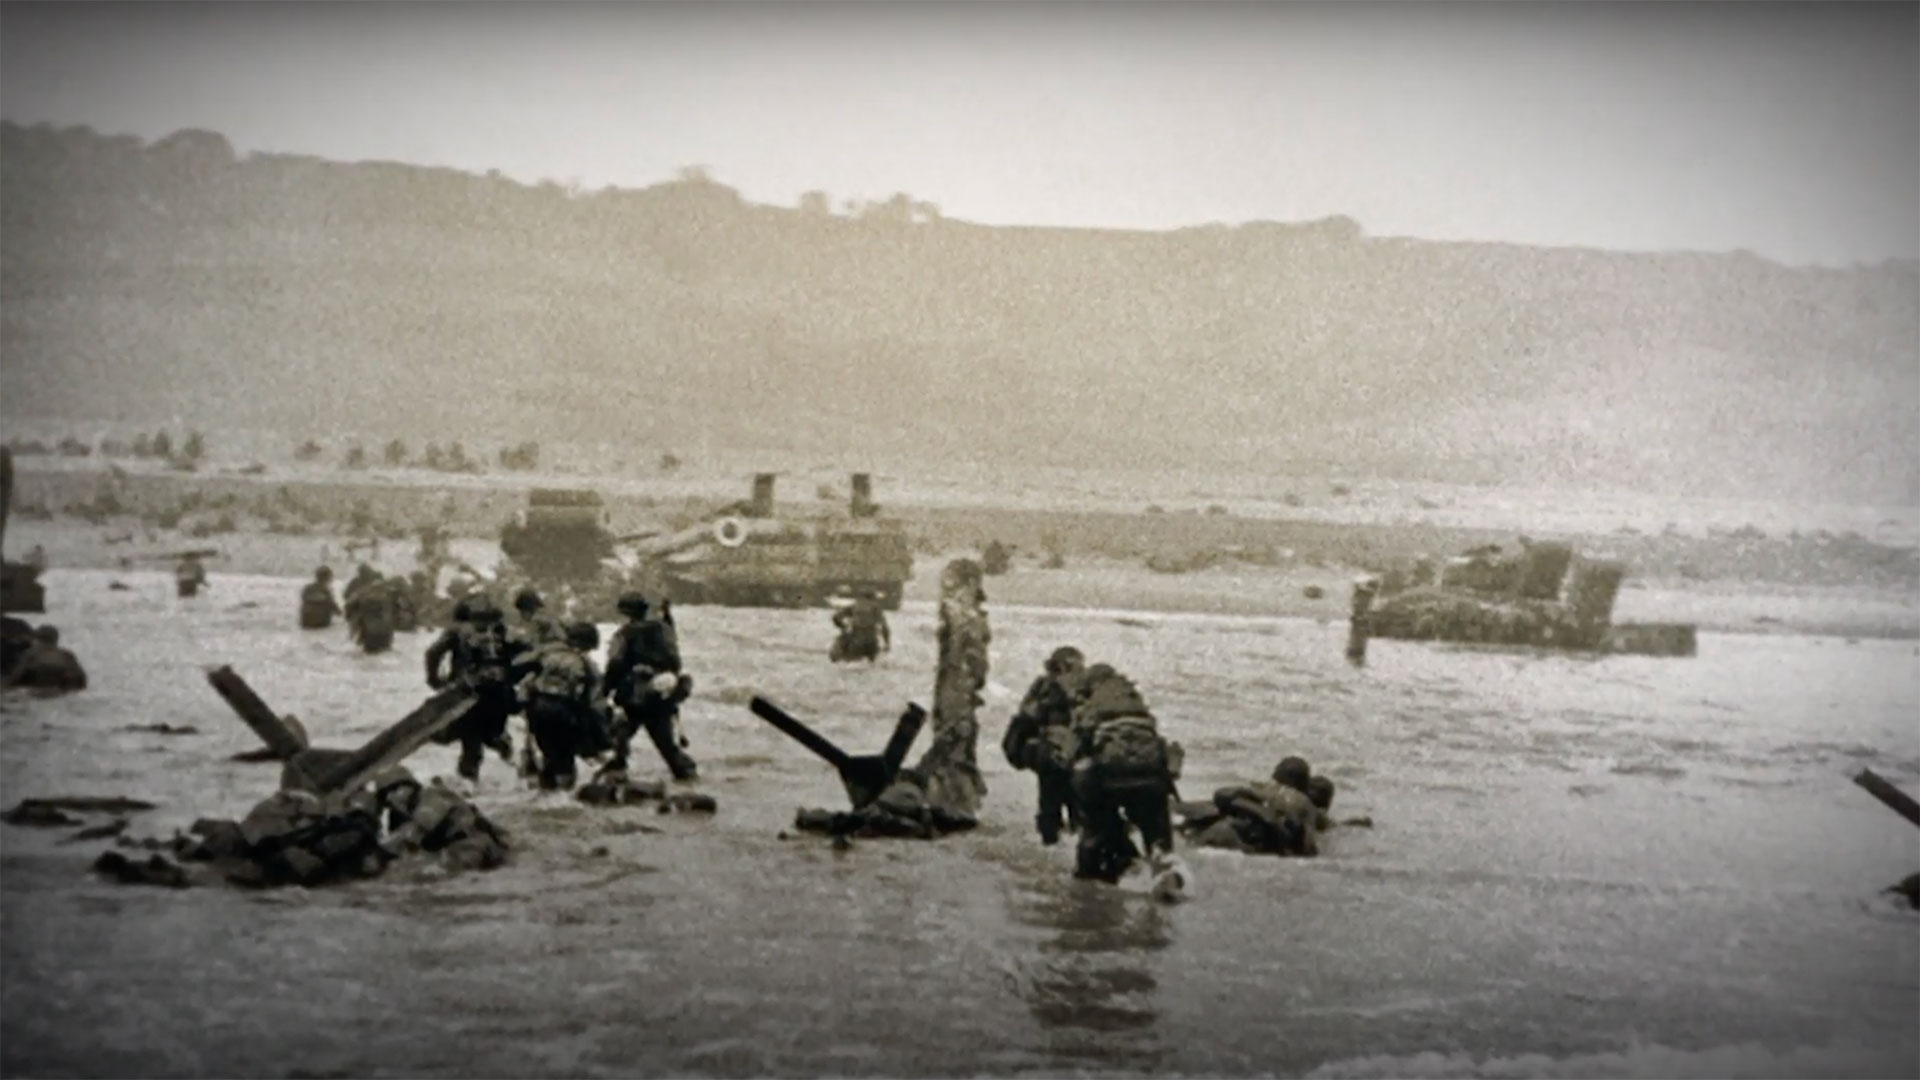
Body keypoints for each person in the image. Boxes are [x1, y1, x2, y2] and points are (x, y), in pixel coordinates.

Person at [1066, 663, 1175, 883]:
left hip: (1110, 776)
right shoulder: (1136, 703)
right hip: (1152, 779)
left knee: (1094, 825)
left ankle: (1088, 877)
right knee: (1157, 834)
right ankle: (1165, 866)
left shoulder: (1090, 705)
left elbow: (1074, 753)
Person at [426, 595, 520, 783]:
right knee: (493, 732)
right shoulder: (503, 631)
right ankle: (509, 760)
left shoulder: (458, 630)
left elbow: (433, 652)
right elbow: (520, 656)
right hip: (498, 691)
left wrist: (434, 679)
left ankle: (470, 782)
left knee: (470, 741)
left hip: (468, 692)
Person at [603, 592, 696, 780]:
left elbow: (615, 664)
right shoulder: (664, 629)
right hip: (662, 696)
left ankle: (616, 774)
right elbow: (675, 662)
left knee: (617, 738)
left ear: (625, 612)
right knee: (667, 746)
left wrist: (605, 690)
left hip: (634, 697)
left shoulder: (623, 634)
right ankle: (688, 778)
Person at [1001, 645, 1085, 845]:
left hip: (1071, 757)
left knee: (1075, 809)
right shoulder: (1043, 688)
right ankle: (1055, 840)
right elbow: (1026, 717)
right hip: (1050, 757)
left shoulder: (1080, 689)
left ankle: (1066, 842)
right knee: (1053, 807)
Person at [517, 620, 606, 791]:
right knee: (565, 757)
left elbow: (518, 668)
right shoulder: (588, 665)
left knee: (549, 754)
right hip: (564, 711)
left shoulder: (546, 653)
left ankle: (545, 794)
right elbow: (595, 703)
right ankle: (563, 801)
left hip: (538, 708)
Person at [1188, 757, 1322, 857]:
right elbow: (1308, 846)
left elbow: (1221, 795)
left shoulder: (1260, 788)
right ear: (1305, 784)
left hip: (1231, 827)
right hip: (1263, 839)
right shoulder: (1305, 803)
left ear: (1275, 775)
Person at [3, 625, 87, 693]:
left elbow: (17, 674)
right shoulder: (66, 654)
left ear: (38, 639)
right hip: (61, 683)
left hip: (38, 681)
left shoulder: (31, 652)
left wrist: (6, 686)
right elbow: (81, 678)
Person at [829, 592, 891, 664]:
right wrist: (887, 644)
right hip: (871, 642)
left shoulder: (854, 606)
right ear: (873, 598)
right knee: (871, 664)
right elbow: (884, 627)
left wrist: (843, 627)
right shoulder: (876, 608)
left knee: (844, 659)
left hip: (857, 640)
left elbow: (836, 617)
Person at [344, 570, 396, 654]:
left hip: (373, 636)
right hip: (380, 636)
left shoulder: (363, 595)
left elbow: (349, 607)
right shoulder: (387, 597)